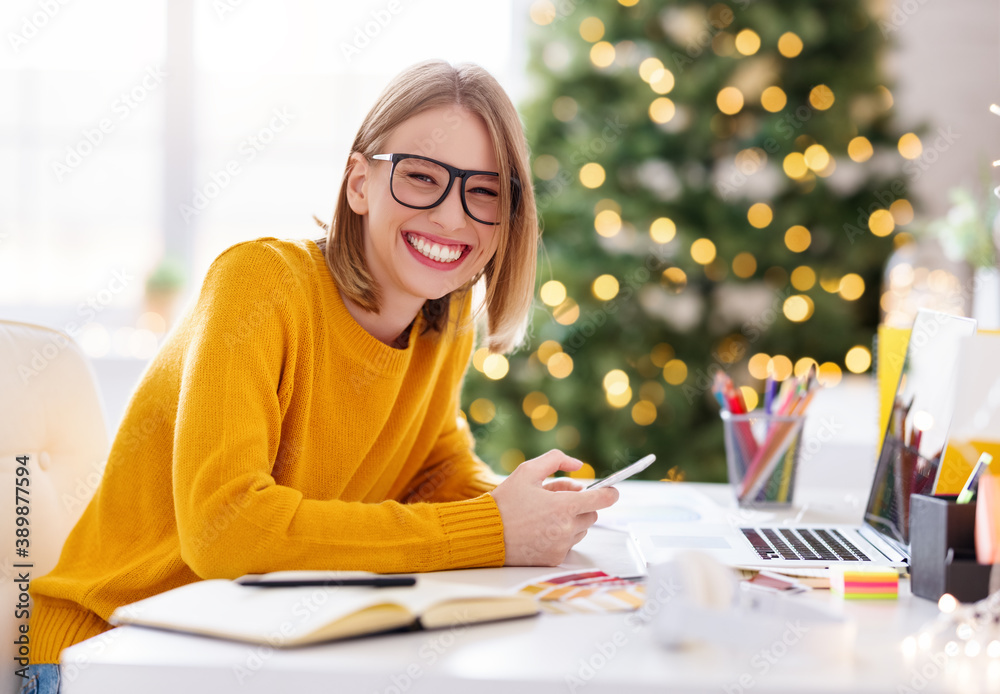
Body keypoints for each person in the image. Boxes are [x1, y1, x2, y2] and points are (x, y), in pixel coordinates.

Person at [22, 60, 618, 693]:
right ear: (359, 184)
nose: (451, 217)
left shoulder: (446, 318)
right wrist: (493, 530)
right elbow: (226, 529)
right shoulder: (258, 286)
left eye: (485, 191)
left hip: (257, 651)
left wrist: (531, 512)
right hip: (105, 655)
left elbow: (434, 472)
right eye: (420, 178)